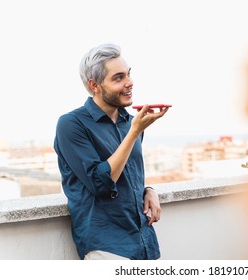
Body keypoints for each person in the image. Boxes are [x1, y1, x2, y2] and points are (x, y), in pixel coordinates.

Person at [54, 43, 169, 260]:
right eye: (118, 78)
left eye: (128, 74)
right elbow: (101, 184)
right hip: (106, 247)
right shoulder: (71, 124)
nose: (130, 83)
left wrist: (148, 190)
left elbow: (127, 173)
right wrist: (134, 133)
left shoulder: (130, 122)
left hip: (144, 242)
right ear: (94, 85)